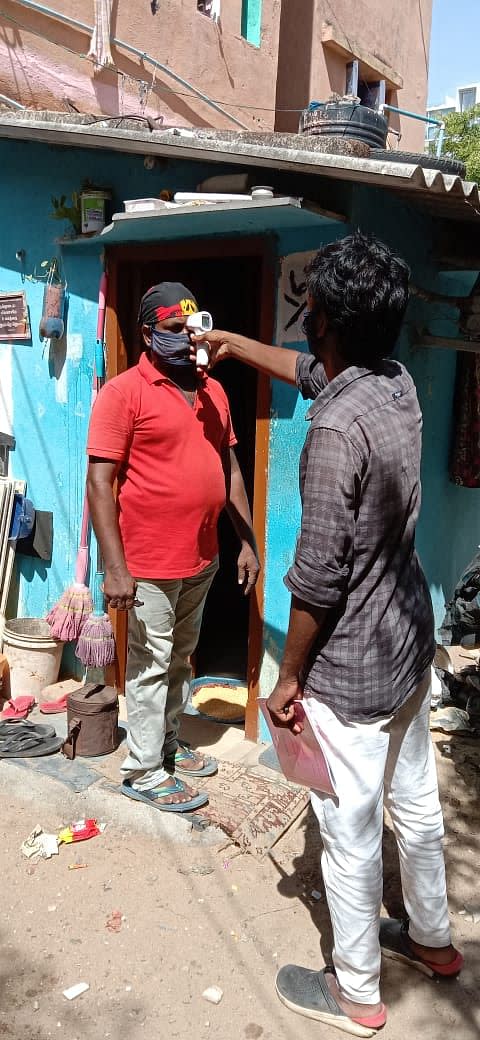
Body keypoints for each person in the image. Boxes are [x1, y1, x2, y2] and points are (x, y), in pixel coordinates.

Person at [194, 233, 463, 1036]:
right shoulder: (392, 381)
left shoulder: (334, 434)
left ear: (327, 322)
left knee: (347, 832)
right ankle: (433, 941)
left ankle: (355, 992)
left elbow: (316, 583)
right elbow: (308, 371)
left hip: (354, 669)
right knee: (414, 802)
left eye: (306, 309)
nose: (301, 320)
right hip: (412, 641)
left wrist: (287, 680)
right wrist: (234, 345)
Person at [86, 282, 259, 813]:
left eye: (192, 328)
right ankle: (141, 769)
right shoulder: (123, 393)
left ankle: (165, 744)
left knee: (181, 657)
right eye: (173, 330)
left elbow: (229, 471)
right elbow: (99, 482)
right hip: (147, 561)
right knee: (151, 660)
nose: (187, 339)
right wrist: (115, 569)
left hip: (202, 556)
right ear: (147, 334)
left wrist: (246, 541)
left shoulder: (215, 392)